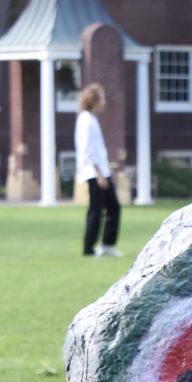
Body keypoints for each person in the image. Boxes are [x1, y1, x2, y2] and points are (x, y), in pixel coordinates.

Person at [75, 83, 122, 258]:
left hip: (101, 171)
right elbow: (87, 150)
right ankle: (89, 248)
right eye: (101, 98)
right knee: (96, 210)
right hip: (94, 172)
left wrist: (107, 170)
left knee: (113, 207)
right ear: (93, 100)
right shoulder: (86, 120)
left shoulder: (91, 119)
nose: (104, 101)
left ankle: (106, 244)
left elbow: (99, 149)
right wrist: (100, 174)